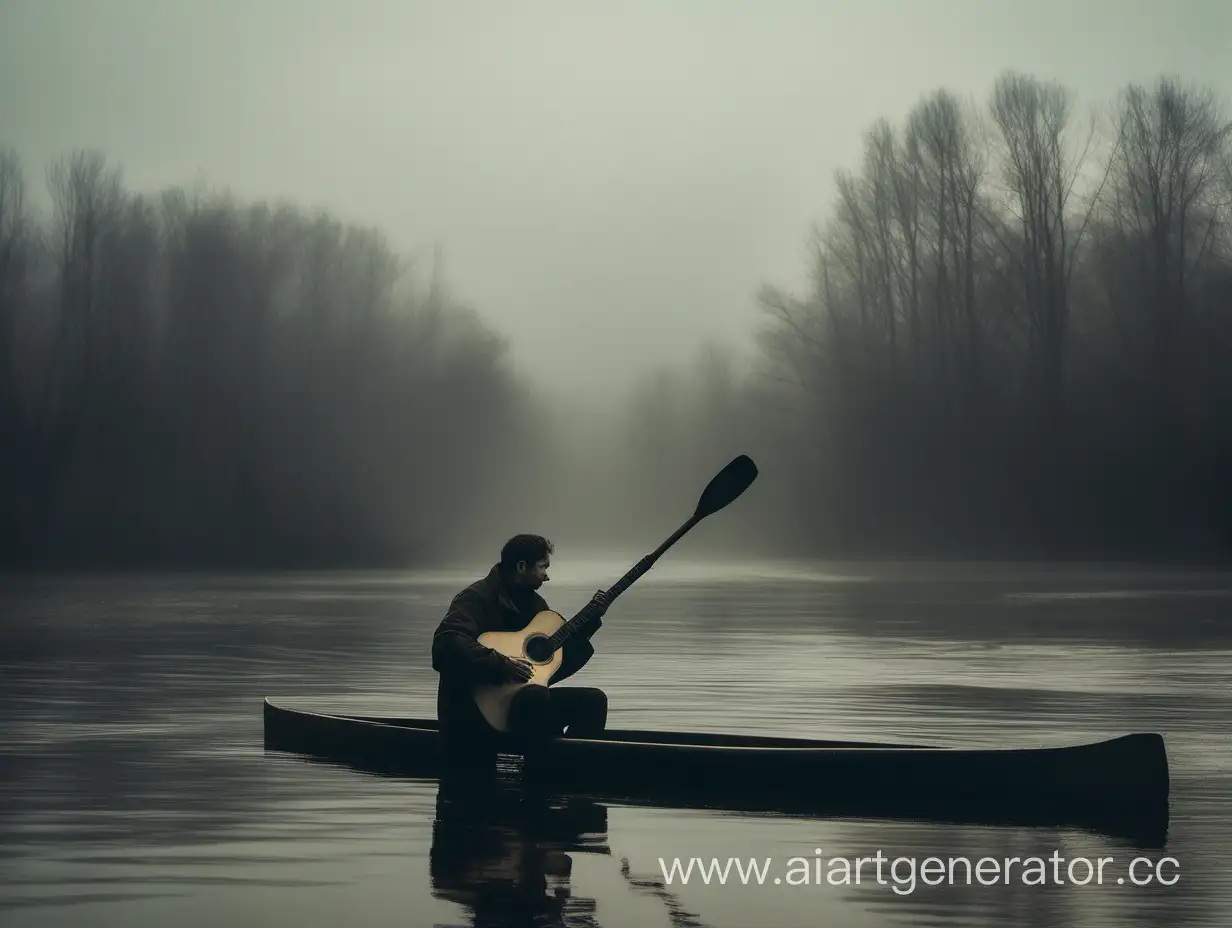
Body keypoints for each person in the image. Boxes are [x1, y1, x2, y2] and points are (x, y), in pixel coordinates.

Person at [431, 534, 610, 767]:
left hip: (522, 708)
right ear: (522, 567)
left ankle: (576, 769)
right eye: (542, 567)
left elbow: (551, 669)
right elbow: (446, 644)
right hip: (472, 714)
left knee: (593, 701)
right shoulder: (475, 598)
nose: (547, 576)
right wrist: (501, 664)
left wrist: (590, 623)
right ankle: (544, 775)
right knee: (535, 697)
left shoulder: (536, 607)